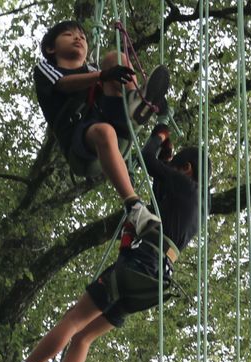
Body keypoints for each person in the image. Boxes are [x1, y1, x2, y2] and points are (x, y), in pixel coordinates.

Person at [0, 125, 202, 362]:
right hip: (153, 282)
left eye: (175, 167)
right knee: (84, 337)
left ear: (187, 169)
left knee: (74, 320)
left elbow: (146, 159)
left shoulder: (186, 185)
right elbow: (159, 188)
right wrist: (166, 158)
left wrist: (158, 136)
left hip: (139, 263)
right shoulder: (196, 206)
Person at [33, 19, 169, 235]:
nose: (78, 38)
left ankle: (136, 103)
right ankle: (134, 206)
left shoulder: (95, 68)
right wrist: (102, 76)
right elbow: (63, 85)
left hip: (116, 133)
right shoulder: (45, 69)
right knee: (104, 130)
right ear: (51, 48)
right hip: (84, 150)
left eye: (82, 36)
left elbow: (110, 73)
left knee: (114, 59)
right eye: (69, 35)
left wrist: (157, 105)